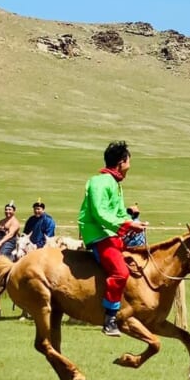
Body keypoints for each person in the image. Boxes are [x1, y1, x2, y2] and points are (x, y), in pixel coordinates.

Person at [78, 141, 147, 337]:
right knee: (120, 272)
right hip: (99, 234)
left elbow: (118, 213)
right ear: (121, 162)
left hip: (111, 234)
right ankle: (109, 318)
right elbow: (100, 213)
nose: (129, 167)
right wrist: (126, 225)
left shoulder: (116, 184)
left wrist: (132, 222)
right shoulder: (99, 182)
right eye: (128, 162)